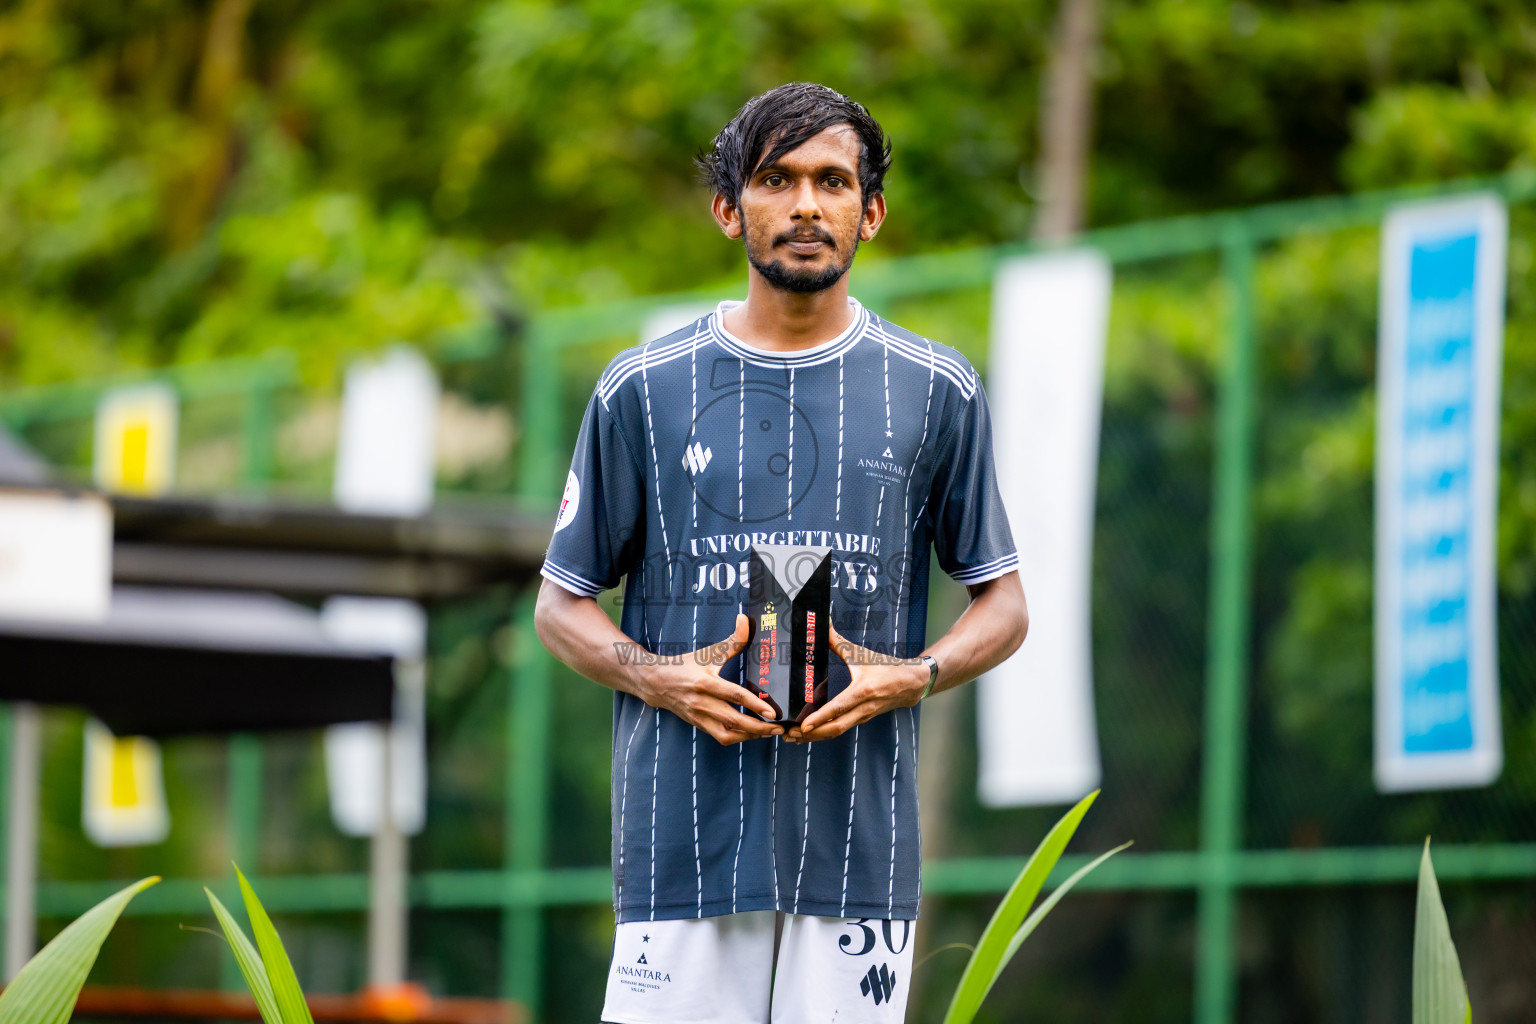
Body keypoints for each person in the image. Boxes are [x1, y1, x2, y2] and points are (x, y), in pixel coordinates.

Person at [534, 82, 1027, 1024]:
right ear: (730, 209)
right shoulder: (641, 387)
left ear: (870, 212)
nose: (806, 204)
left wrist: (912, 675)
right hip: (680, 851)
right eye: (776, 178)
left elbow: (1005, 607)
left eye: (833, 181)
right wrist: (658, 677)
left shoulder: (937, 389)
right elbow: (560, 606)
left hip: (858, 856)